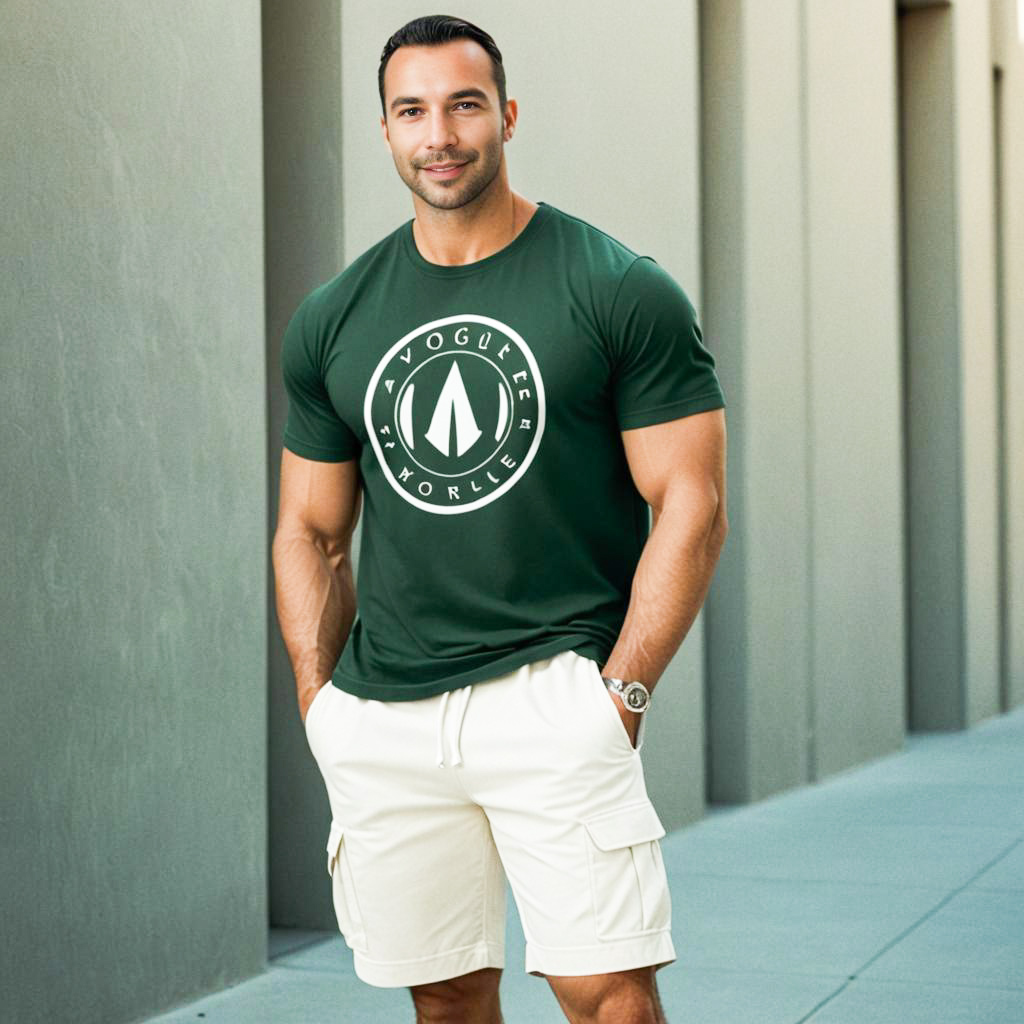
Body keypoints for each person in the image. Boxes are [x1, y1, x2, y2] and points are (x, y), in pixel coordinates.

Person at [272, 14, 727, 1024]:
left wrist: (621, 695)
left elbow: (689, 503)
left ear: (507, 116)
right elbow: (309, 526)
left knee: (605, 989)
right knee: (442, 995)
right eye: (412, 110)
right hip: (384, 710)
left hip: (551, 694)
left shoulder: (618, 288)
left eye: (464, 104)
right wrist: (321, 703)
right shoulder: (334, 317)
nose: (439, 132)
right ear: (385, 131)